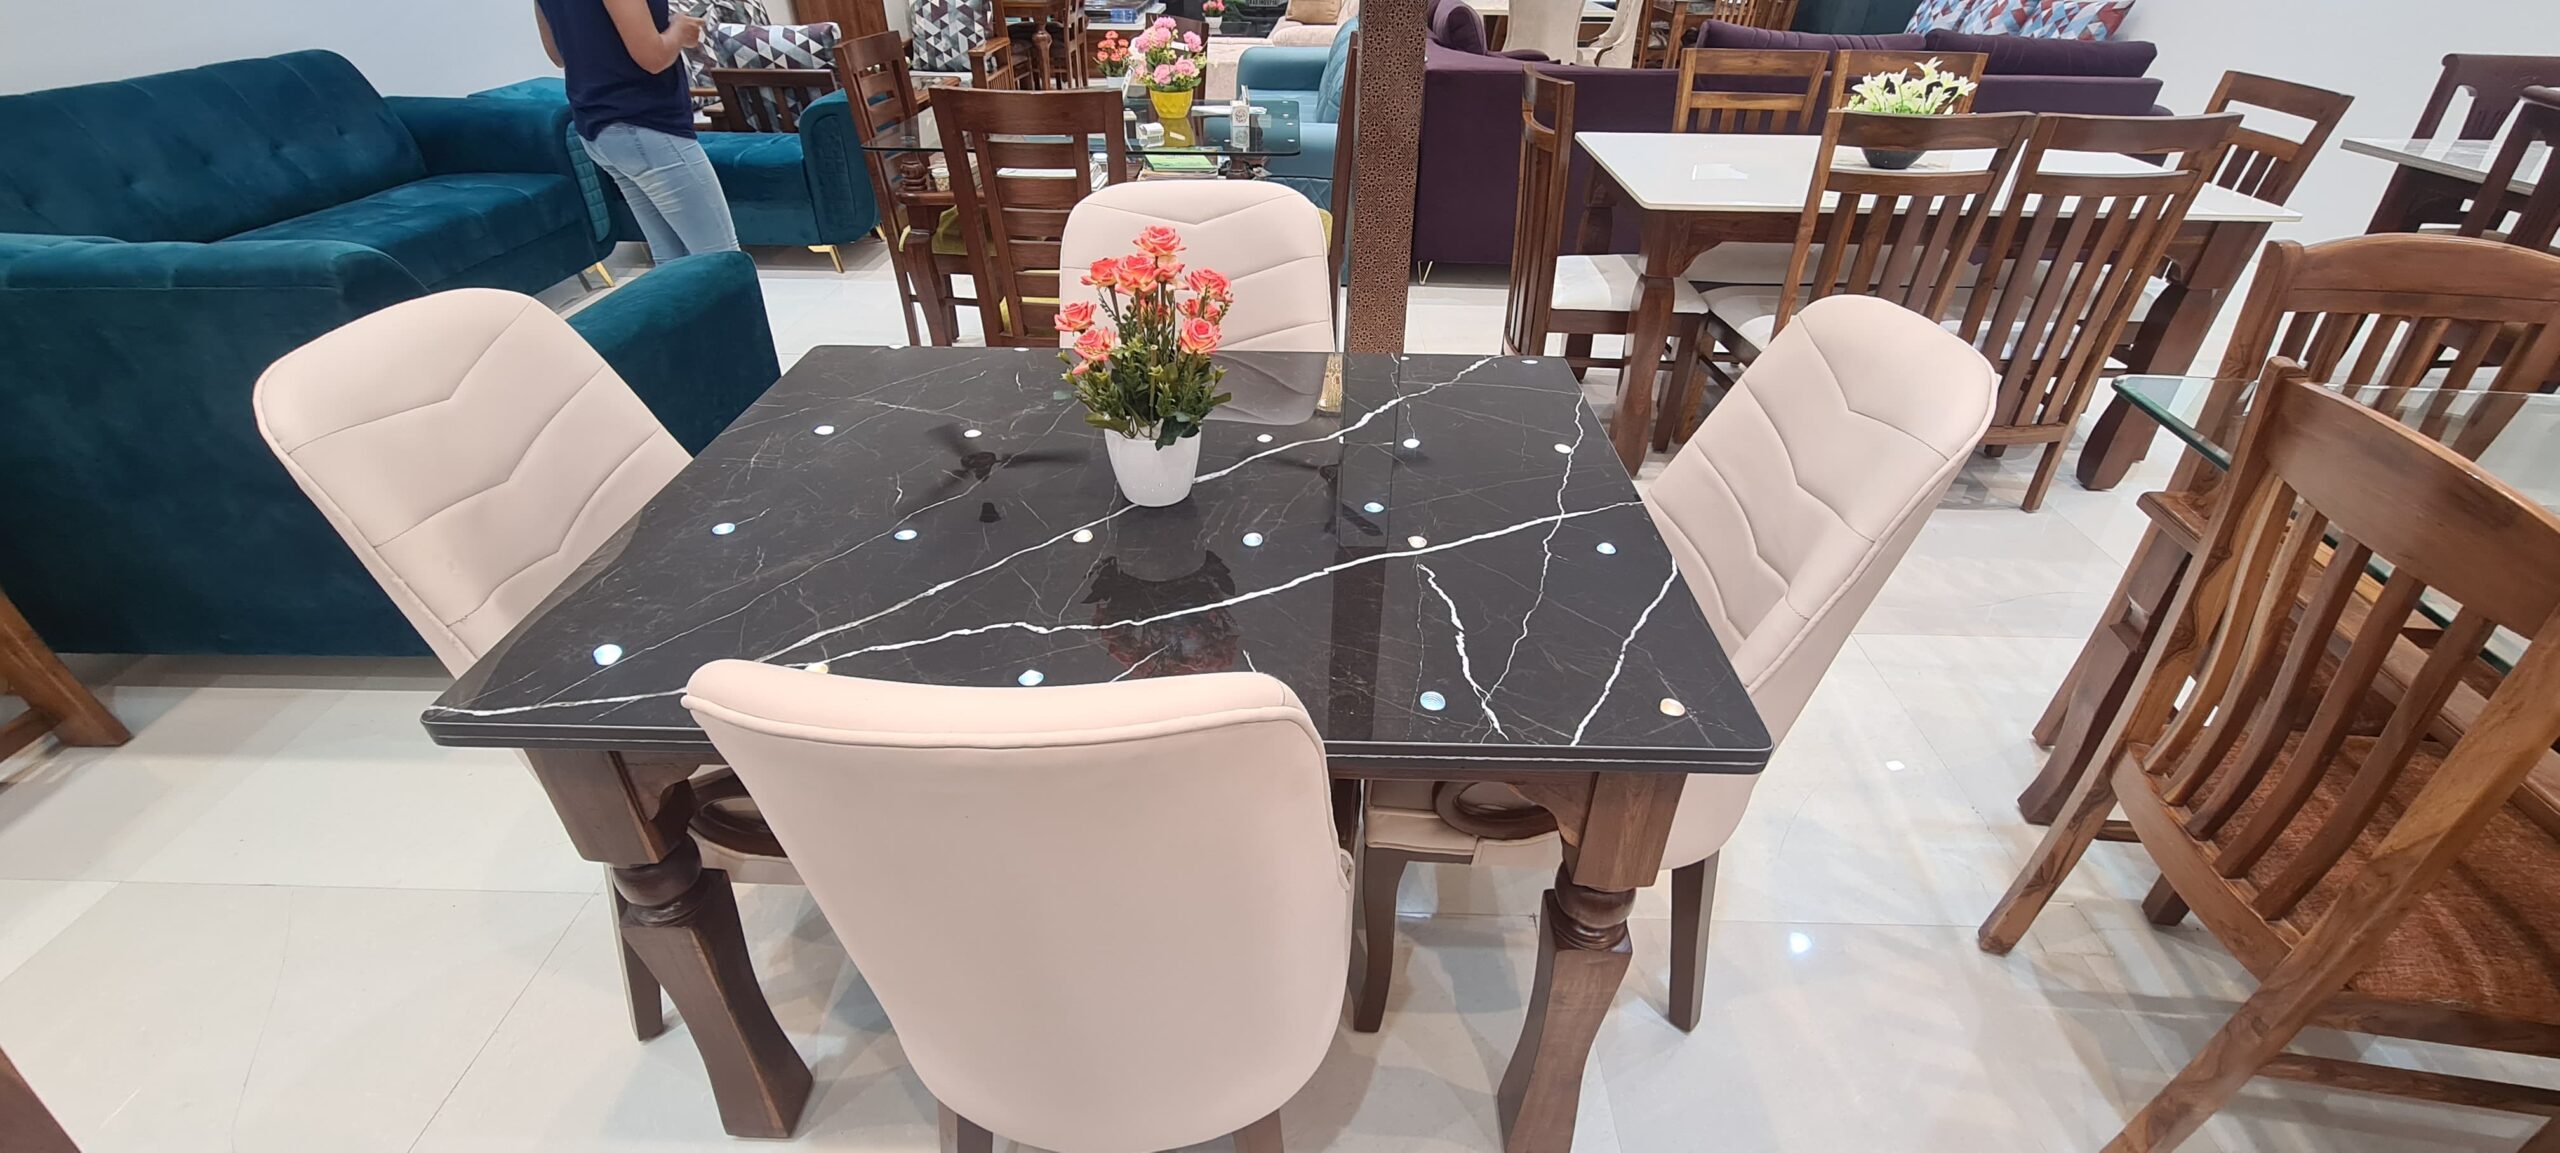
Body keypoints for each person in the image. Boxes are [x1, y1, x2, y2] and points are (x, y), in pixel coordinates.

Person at [534, 0, 741, 261]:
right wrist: (679, 30)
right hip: (646, 125)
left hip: (598, 129)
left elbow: (557, 54)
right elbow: (653, 58)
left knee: (674, 260)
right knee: (721, 258)